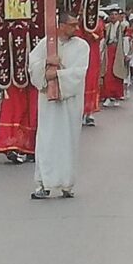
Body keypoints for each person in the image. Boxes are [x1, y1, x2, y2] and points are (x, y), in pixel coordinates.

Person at [28, 11, 89, 200]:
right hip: (48, 102)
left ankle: (66, 184)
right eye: (72, 25)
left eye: (77, 24)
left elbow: (79, 72)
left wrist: (56, 74)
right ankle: (43, 184)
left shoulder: (82, 46)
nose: (76, 28)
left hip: (69, 102)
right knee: (46, 141)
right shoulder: (46, 44)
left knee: (68, 141)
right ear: (61, 25)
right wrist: (46, 63)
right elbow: (33, 64)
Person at [77, 17, 105, 127]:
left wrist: (90, 33)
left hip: (93, 54)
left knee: (92, 81)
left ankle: (89, 112)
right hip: (80, 54)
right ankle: (80, 112)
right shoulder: (78, 20)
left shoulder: (97, 21)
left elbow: (99, 35)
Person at [101, 9, 128, 106]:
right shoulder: (107, 27)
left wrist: (126, 54)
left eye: (115, 14)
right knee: (107, 74)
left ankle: (117, 97)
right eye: (112, 14)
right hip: (108, 50)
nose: (113, 16)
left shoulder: (123, 27)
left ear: (118, 16)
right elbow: (104, 40)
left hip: (118, 51)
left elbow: (125, 40)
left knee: (117, 74)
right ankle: (108, 96)